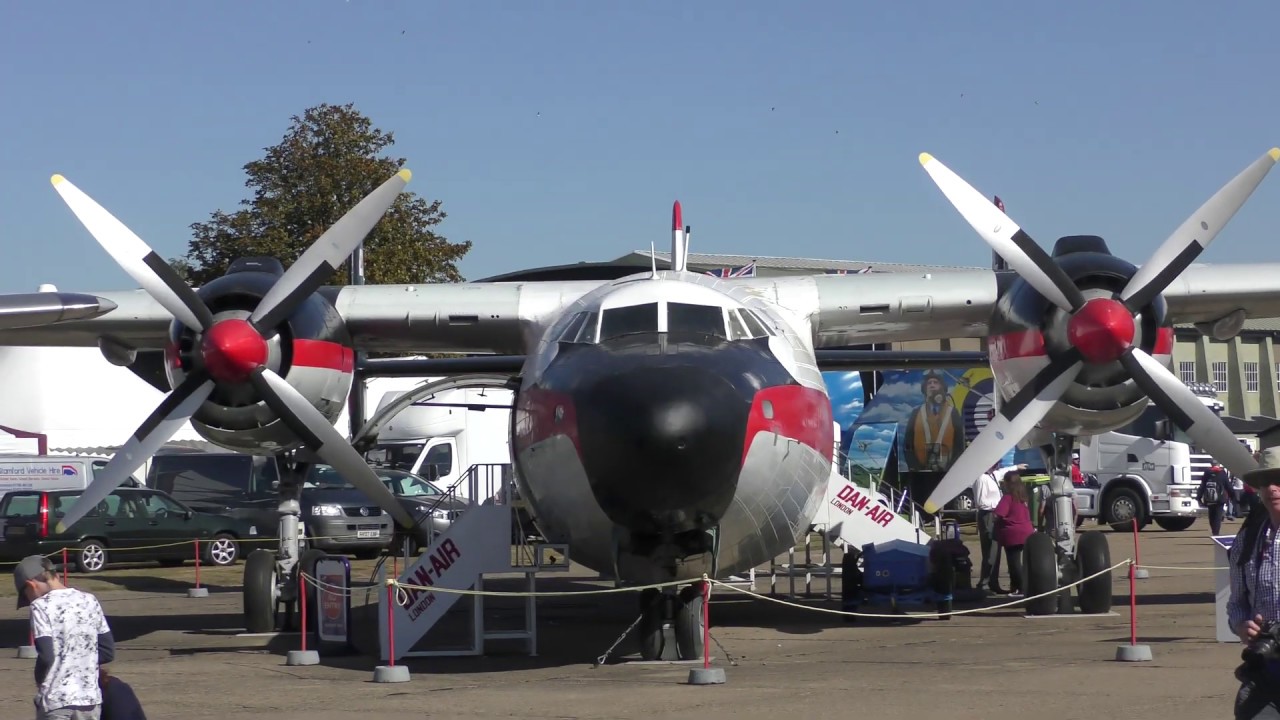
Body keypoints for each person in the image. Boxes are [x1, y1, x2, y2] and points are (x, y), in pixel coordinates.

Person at [14, 554, 116, 720]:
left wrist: (40, 682)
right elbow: (108, 651)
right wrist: (79, 662)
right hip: (90, 700)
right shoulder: (89, 600)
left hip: (56, 700)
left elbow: (47, 656)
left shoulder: (40, 606)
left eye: (26, 596)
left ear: (31, 585)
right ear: (56, 575)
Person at [1226, 446, 1280, 718]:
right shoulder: (1246, 541)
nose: (1271, 488)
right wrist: (1241, 625)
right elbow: (1236, 603)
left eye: (1279, 480)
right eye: (1264, 482)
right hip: (1265, 669)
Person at [973, 461, 1026, 595]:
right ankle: (984, 583)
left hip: (996, 513)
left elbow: (1002, 472)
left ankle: (993, 582)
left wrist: (1016, 467)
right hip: (989, 514)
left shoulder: (993, 475)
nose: (998, 465)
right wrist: (1000, 504)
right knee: (990, 551)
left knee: (996, 551)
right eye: (996, 463)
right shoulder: (981, 478)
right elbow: (981, 502)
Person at [993, 471, 1035, 597]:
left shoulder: (1007, 498)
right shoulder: (1023, 498)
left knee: (1014, 563)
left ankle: (1021, 588)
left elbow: (998, 514)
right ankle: (1017, 586)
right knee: (1021, 562)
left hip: (1012, 533)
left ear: (1007, 483)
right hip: (1026, 531)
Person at [1200, 462, 1233, 536]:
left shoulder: (1207, 472)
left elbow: (1202, 485)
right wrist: (1232, 495)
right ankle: (1216, 532)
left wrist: (1199, 497)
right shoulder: (1222, 473)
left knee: (1211, 515)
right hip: (1220, 498)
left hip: (1209, 498)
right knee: (1218, 516)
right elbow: (1228, 485)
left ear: (1211, 464)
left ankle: (1213, 530)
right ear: (1218, 465)